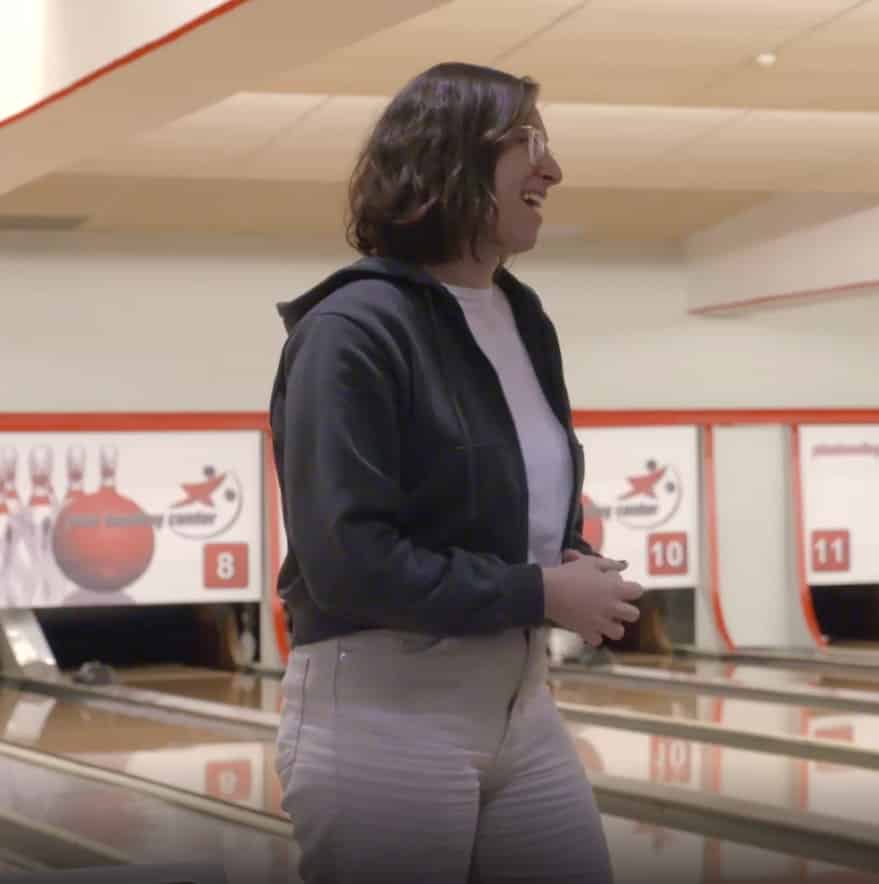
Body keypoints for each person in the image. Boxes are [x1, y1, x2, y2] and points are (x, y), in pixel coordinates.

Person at [267, 62, 644, 884]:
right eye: (528, 143)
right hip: (383, 709)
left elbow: (507, 503)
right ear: (453, 158)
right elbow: (347, 562)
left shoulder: (522, 314)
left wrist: (571, 559)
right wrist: (541, 593)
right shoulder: (352, 330)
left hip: (520, 699)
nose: (553, 168)